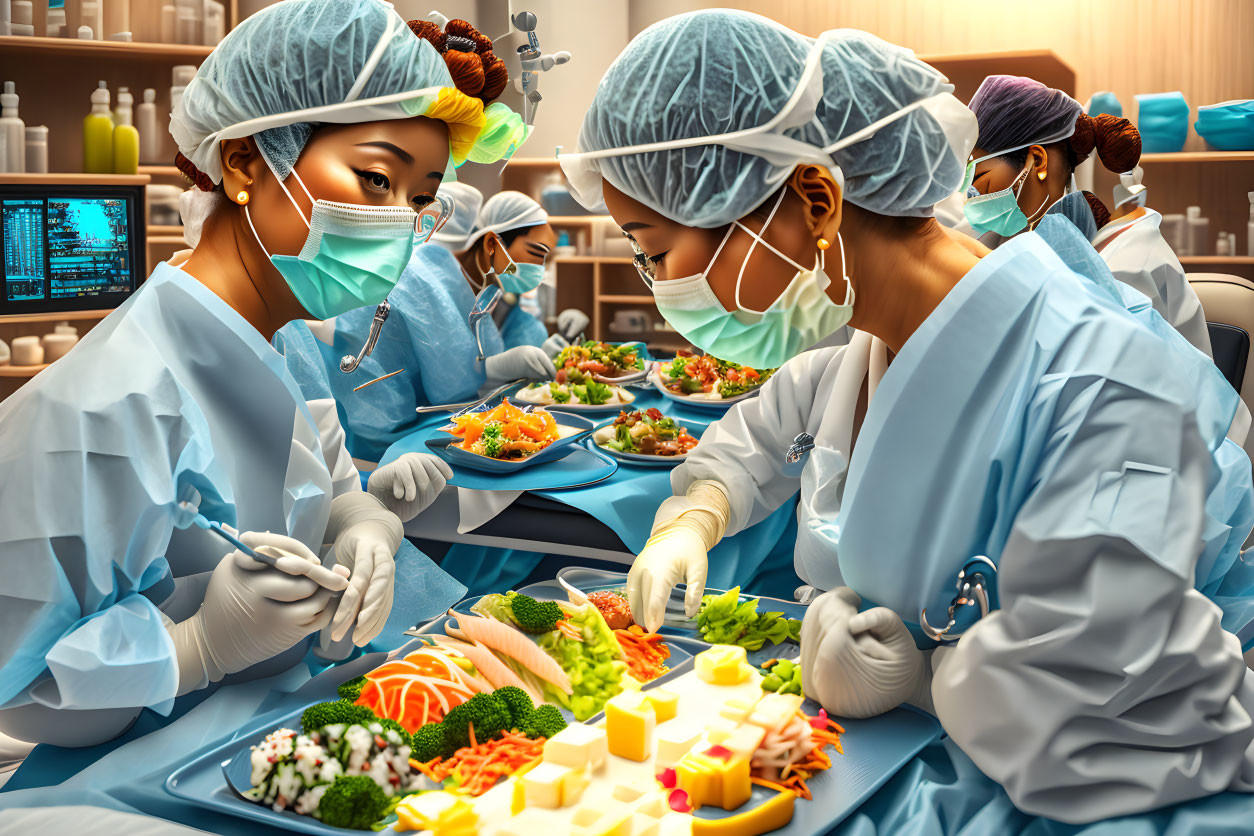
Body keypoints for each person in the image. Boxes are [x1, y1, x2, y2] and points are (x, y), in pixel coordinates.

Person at [563, 9, 1254, 826]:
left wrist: (919, 676)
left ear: (816, 199)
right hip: (881, 754)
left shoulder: (1098, 386)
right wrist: (693, 519)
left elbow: (1100, 717)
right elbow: (752, 441)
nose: (660, 289)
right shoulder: (863, 342)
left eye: (654, 251)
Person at [0, 0, 488, 749]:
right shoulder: (102, 406)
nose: (399, 225)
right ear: (245, 163)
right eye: (376, 180)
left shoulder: (280, 343)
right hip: (121, 779)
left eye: (420, 201)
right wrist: (194, 647)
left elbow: (326, 493)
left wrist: (362, 525)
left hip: (271, 732)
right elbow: (20, 684)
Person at [963, 74, 1211, 356]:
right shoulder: (1012, 237)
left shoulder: (1127, 265)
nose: (970, 193)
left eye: (979, 175)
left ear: (1038, 161)